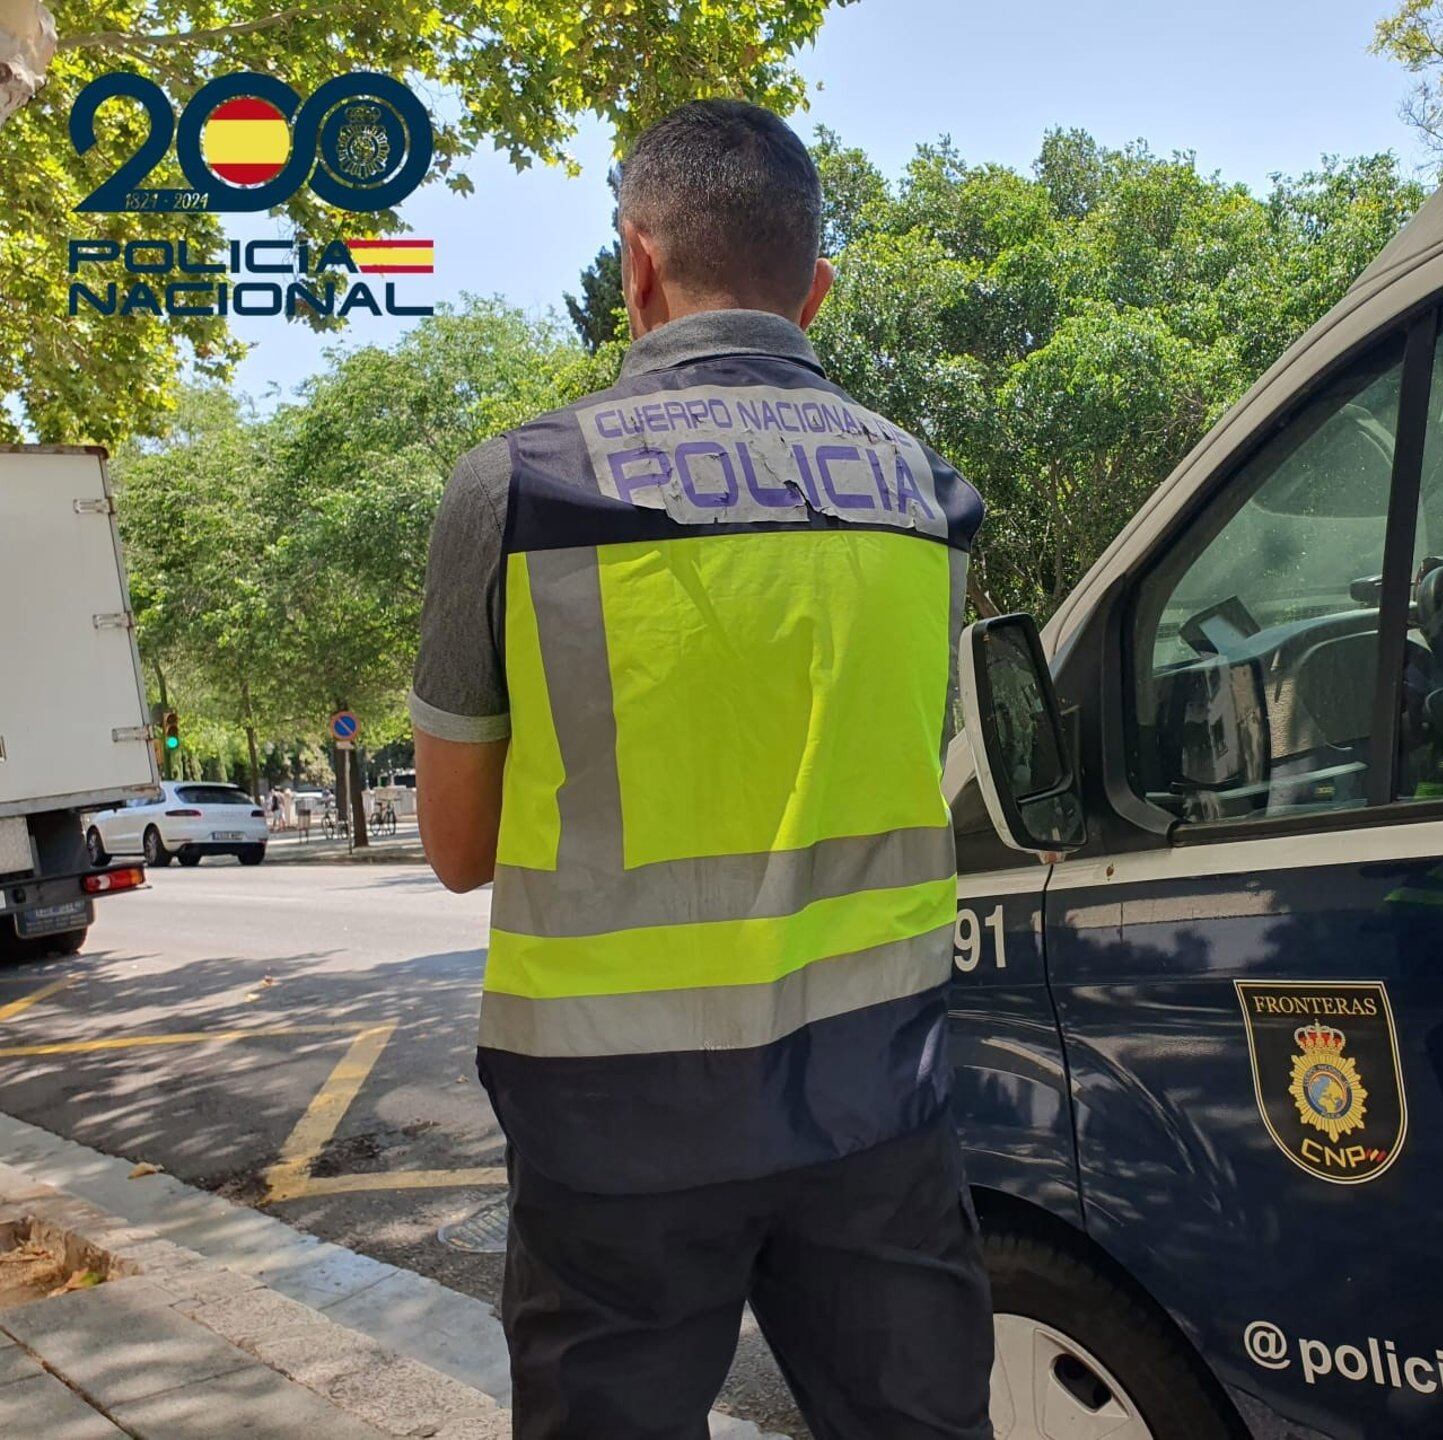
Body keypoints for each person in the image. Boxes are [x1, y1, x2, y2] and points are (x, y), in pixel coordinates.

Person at [410, 100, 993, 1440]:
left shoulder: (518, 488)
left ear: (638, 266)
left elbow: (455, 848)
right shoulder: (928, 496)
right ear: (817, 288)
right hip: (876, 1105)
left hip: (614, 1129)